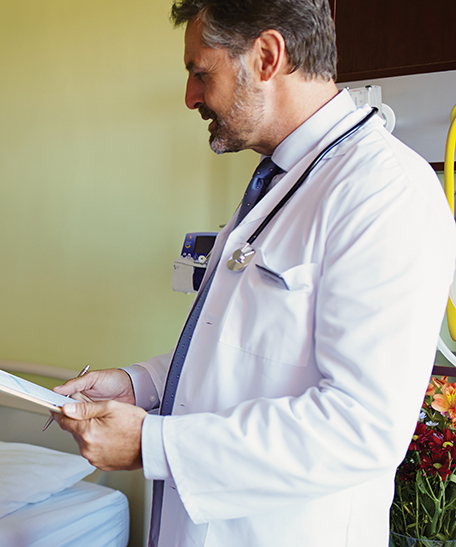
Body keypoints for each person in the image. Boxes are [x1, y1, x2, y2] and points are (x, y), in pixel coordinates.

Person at [52, 1, 456, 545]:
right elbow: (240, 348)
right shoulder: (282, 181)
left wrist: (155, 445)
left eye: (201, 73)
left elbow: (361, 427)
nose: (190, 96)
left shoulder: (384, 191)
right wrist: (139, 384)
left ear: (267, 56)